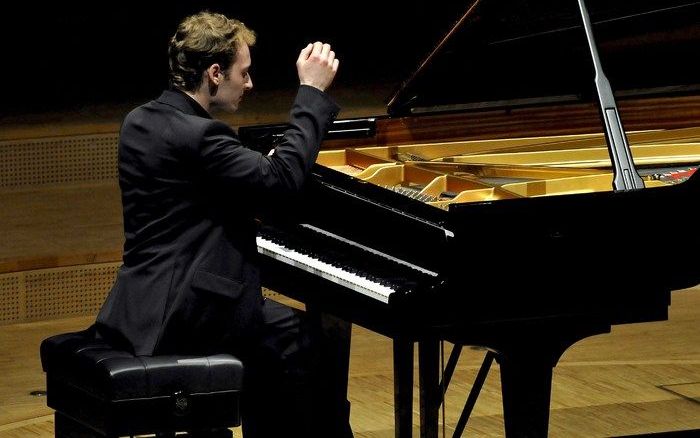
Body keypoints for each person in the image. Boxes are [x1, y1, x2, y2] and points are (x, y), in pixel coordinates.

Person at [94, 11, 352, 438]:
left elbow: (203, 189)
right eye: (243, 73)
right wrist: (310, 92)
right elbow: (282, 182)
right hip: (190, 316)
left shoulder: (139, 121)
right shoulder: (202, 136)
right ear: (215, 73)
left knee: (279, 336)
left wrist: (255, 170)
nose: (249, 84)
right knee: (305, 342)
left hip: (140, 307)